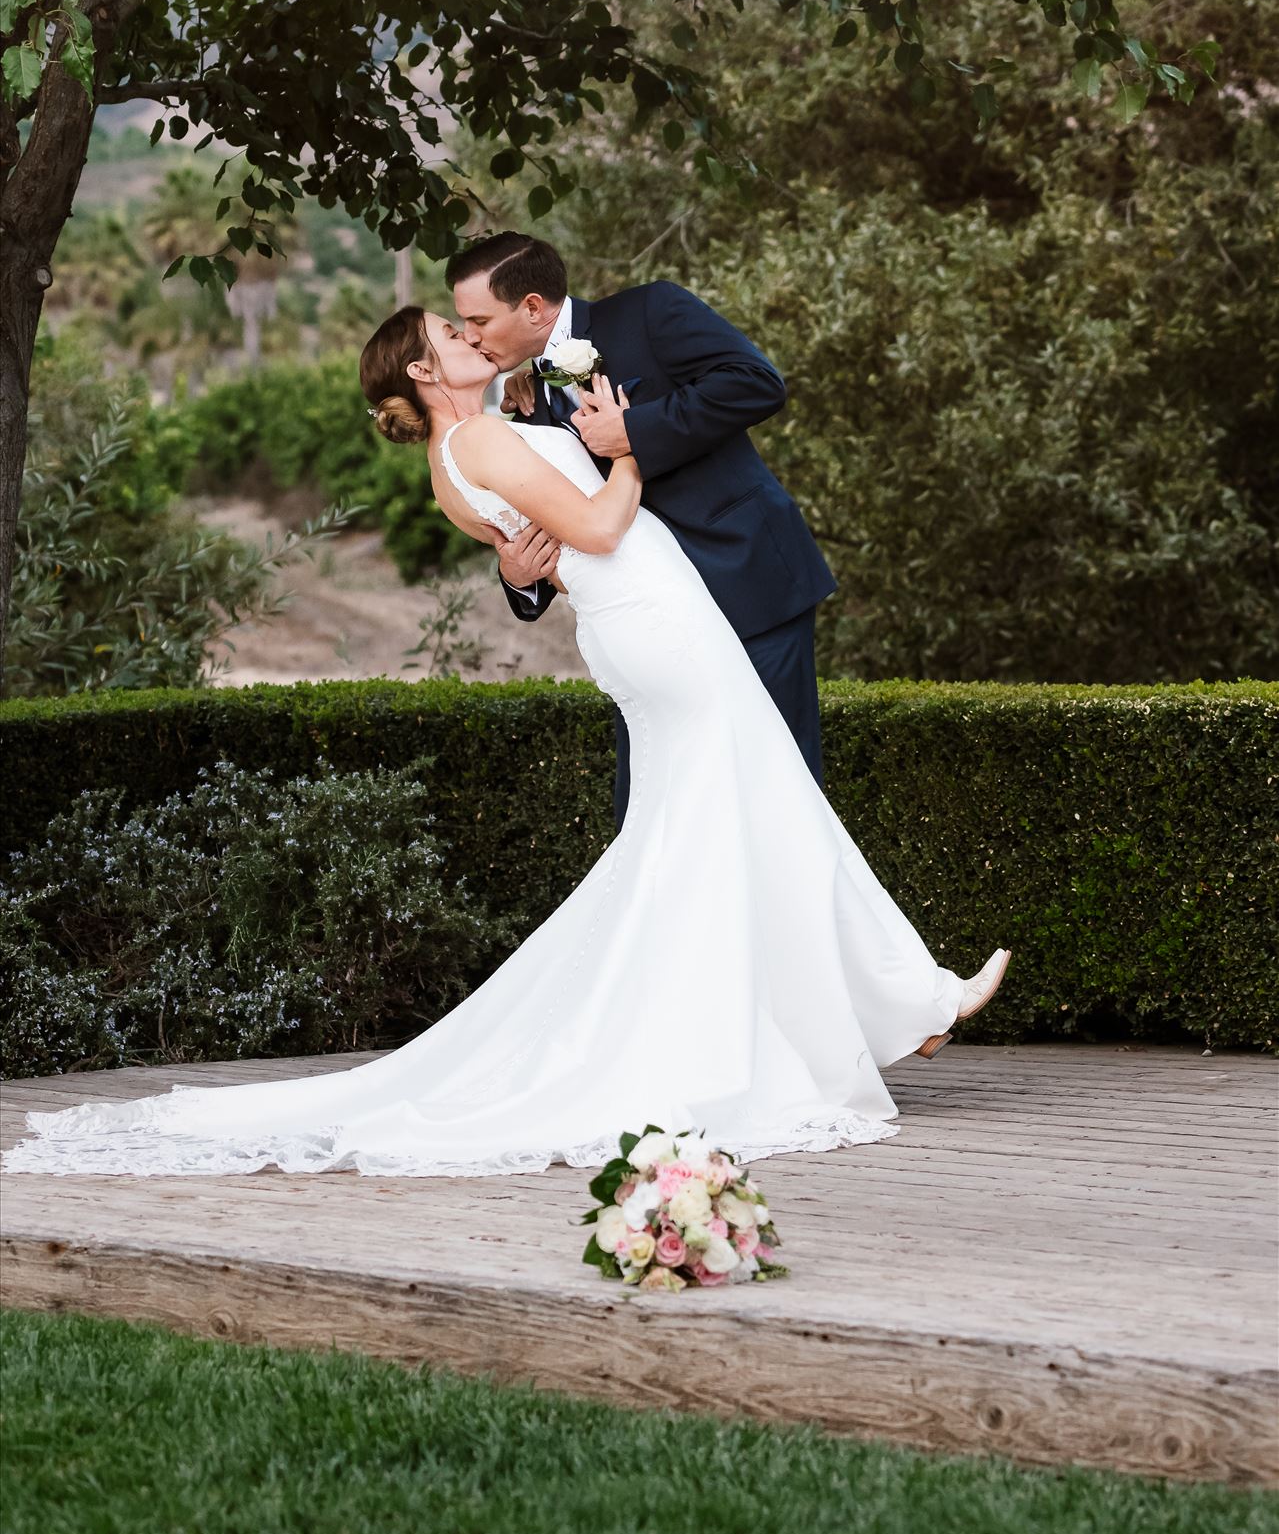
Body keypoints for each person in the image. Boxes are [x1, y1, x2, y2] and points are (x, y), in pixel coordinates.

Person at [3, 304, 1009, 1182]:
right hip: (656, 620)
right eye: (450, 333)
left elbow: (547, 560)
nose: (468, 333)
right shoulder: (477, 445)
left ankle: (865, 1011)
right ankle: (897, 1003)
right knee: (752, 801)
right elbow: (602, 530)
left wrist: (581, 478)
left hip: (641, 624)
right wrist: (621, 449)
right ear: (423, 371)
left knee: (705, 826)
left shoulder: (463, 457)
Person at [447, 233, 835, 827]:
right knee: (656, 805)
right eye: (460, 325)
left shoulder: (651, 311)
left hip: (745, 584)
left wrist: (637, 434)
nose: (470, 336)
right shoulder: (523, 400)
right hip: (652, 624)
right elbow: (564, 512)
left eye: (477, 320)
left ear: (531, 307)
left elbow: (757, 382)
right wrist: (521, 580)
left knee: (776, 790)